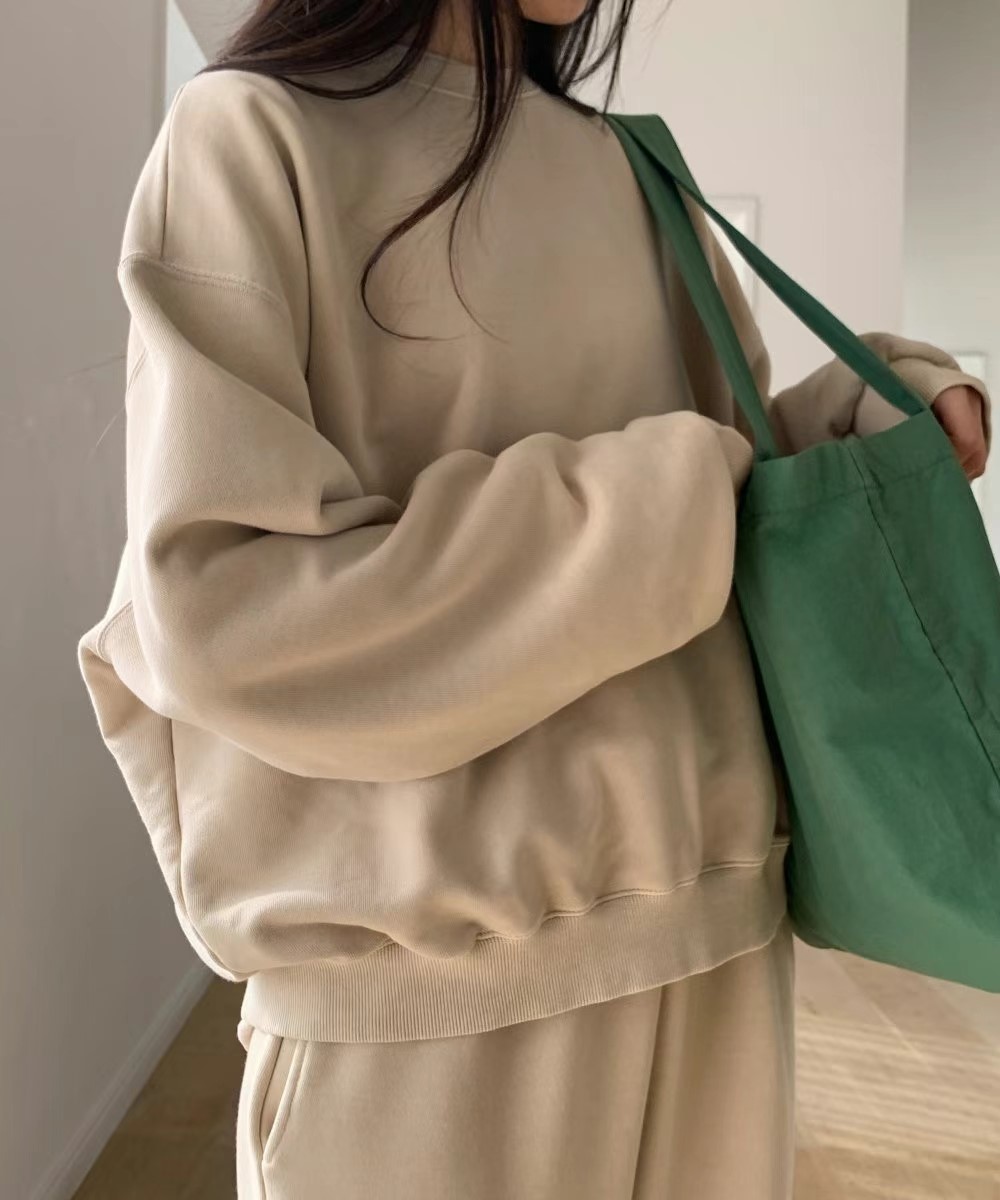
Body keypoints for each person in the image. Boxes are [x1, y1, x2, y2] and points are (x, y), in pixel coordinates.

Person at [76, 0, 991, 1196]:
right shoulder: (252, 136)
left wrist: (857, 420)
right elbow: (230, 616)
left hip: (720, 957)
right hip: (422, 1024)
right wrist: (667, 503)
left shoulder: (631, 170)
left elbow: (725, 501)